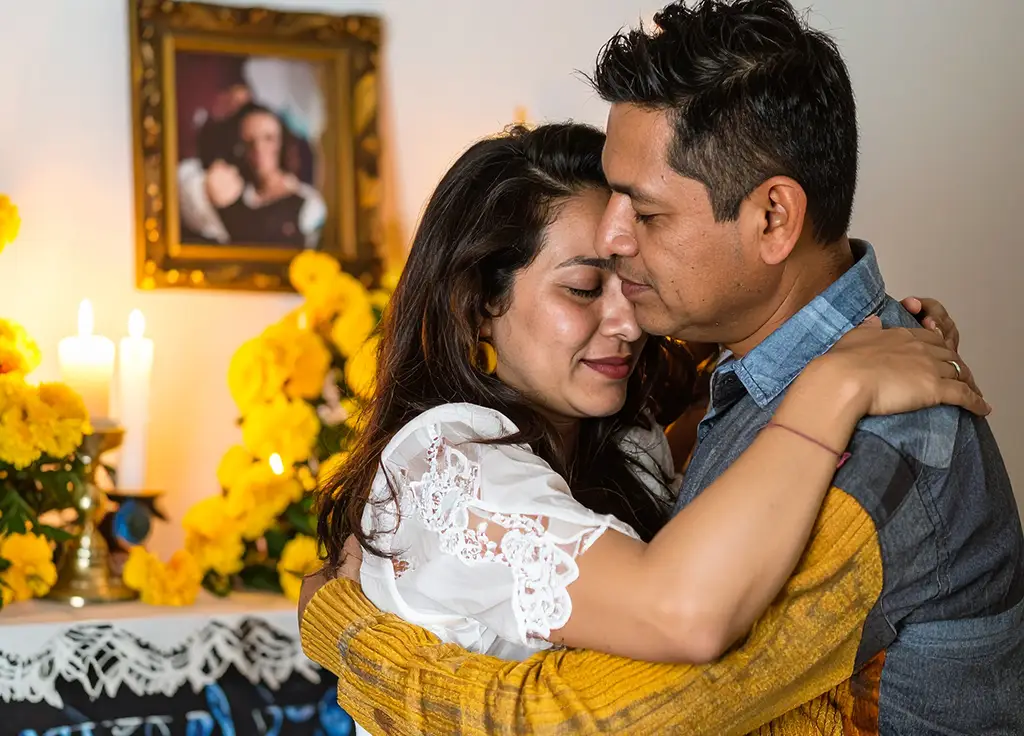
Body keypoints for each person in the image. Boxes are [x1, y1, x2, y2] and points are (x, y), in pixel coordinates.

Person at [299, 2, 1023, 734]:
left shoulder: (866, 443)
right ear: (477, 304)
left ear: (773, 218)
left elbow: (589, 721)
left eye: (645, 214)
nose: (618, 241)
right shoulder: (773, 388)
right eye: (586, 282)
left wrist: (345, 631)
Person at [178, 103, 325, 248]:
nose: (259, 148)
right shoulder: (232, 192)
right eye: (249, 141)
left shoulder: (306, 203)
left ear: (282, 142)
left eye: (268, 138)